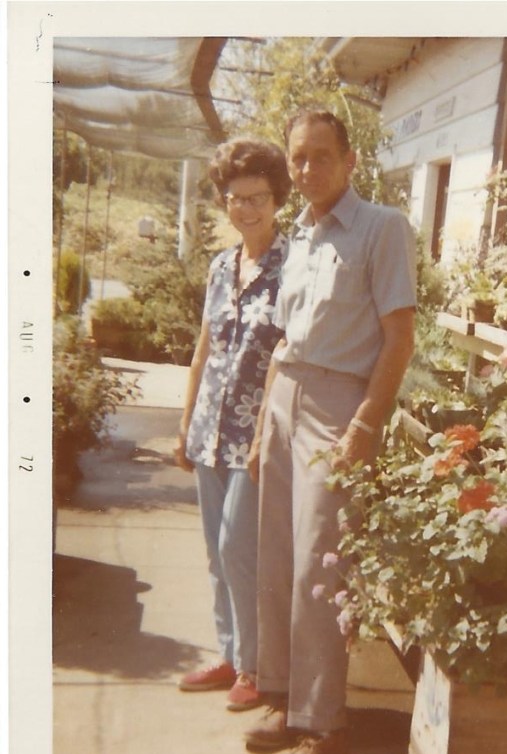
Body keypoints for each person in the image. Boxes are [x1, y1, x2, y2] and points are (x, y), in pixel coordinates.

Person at [245, 109, 416, 754]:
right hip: (285, 401)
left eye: (320, 156)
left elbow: (398, 337)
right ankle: (287, 701)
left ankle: (328, 738)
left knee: (321, 570)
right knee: (278, 560)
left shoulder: (382, 229)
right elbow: (283, 344)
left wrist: (366, 427)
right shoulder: (302, 237)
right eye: (297, 158)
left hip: (337, 410)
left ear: (350, 161)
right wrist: (263, 424)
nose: (307, 169)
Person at [174, 137, 292, 712]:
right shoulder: (221, 266)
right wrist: (183, 423)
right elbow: (203, 351)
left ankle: (253, 665)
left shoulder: (293, 266)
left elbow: (290, 357)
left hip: (256, 437)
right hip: (208, 430)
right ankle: (227, 655)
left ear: (277, 199)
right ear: (225, 201)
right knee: (214, 550)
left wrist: (267, 437)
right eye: (236, 197)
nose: (246, 208)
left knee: (238, 548)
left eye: (258, 197)